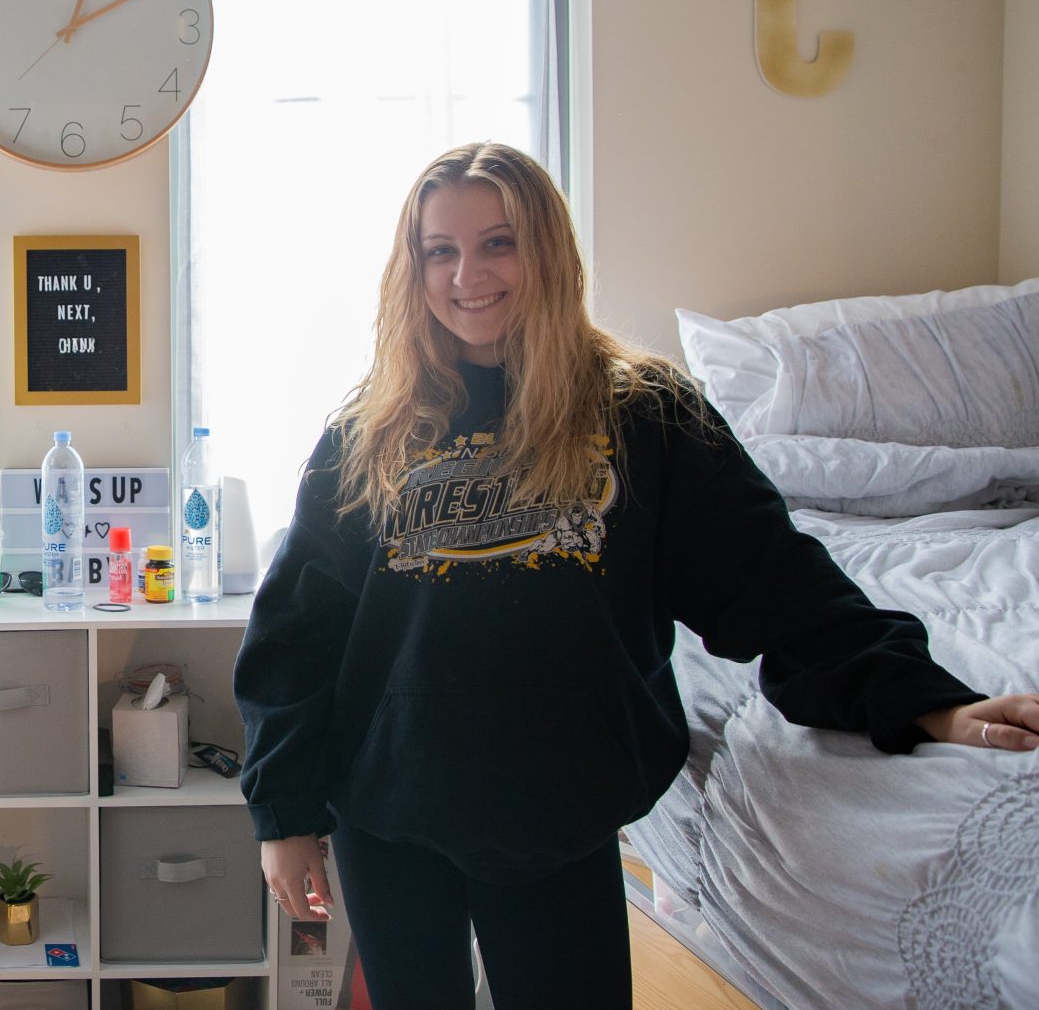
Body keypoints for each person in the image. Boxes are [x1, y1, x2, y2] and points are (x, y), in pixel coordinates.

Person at [233, 141, 1039, 1009]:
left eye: (498, 243)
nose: (469, 273)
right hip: (390, 813)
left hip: (563, 811)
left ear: (547, 252)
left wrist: (921, 699)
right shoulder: (369, 433)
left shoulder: (646, 415)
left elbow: (771, 579)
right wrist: (285, 817)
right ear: (414, 266)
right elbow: (298, 635)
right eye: (442, 250)